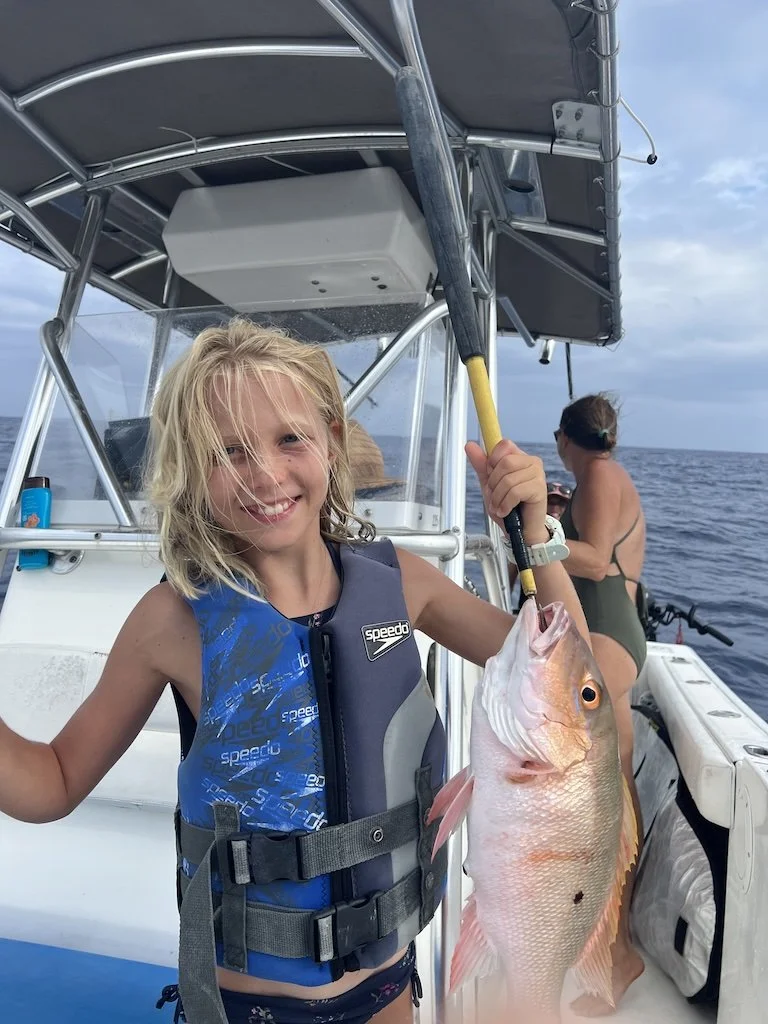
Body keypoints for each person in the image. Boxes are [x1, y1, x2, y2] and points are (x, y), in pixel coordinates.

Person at [0, 320, 589, 1024]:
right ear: (191, 469)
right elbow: (53, 783)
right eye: (228, 452)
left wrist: (536, 535)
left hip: (386, 991)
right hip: (245, 1005)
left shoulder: (401, 583)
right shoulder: (171, 620)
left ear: (332, 441)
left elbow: (582, 689)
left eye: (289, 439)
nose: (265, 475)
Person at [554, 393, 647, 1016]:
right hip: (611, 632)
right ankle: (608, 944)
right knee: (616, 793)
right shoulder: (597, 478)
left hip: (609, 634)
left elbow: (592, 560)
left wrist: (542, 530)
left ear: (567, 438)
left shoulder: (600, 475)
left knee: (607, 799)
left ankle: (617, 953)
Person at [507, 481, 572, 609]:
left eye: (561, 503)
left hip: (565, 608)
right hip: (531, 608)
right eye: (550, 502)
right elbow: (508, 578)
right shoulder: (524, 539)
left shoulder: (574, 541)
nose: (555, 508)